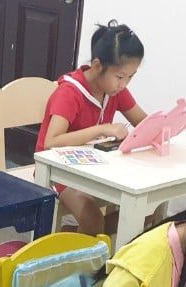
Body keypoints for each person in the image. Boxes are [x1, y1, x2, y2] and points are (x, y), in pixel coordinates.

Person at [35, 21, 150, 236]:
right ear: (97, 66)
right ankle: (80, 245)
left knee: (144, 216)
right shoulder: (70, 92)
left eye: (131, 77)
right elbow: (52, 141)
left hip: (93, 168)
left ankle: (74, 234)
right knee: (92, 217)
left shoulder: (114, 90)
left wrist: (167, 123)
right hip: (57, 171)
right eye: (120, 77)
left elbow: (143, 122)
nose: (124, 84)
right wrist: (102, 129)